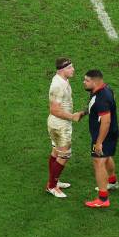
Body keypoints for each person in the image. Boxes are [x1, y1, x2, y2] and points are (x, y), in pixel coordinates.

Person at [46, 57, 84, 198]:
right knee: (65, 155)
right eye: (70, 68)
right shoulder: (58, 86)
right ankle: (52, 186)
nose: (73, 69)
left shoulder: (62, 80)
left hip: (58, 124)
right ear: (62, 70)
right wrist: (72, 116)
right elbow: (54, 110)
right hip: (60, 125)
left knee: (56, 152)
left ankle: (53, 182)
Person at [83, 70, 119, 208]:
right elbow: (94, 105)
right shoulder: (105, 89)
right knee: (106, 156)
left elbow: (106, 121)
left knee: (98, 162)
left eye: (86, 80)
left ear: (95, 82)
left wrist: (99, 142)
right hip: (110, 133)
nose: (84, 82)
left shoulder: (102, 98)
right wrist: (84, 113)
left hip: (103, 135)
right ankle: (112, 181)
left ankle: (103, 199)